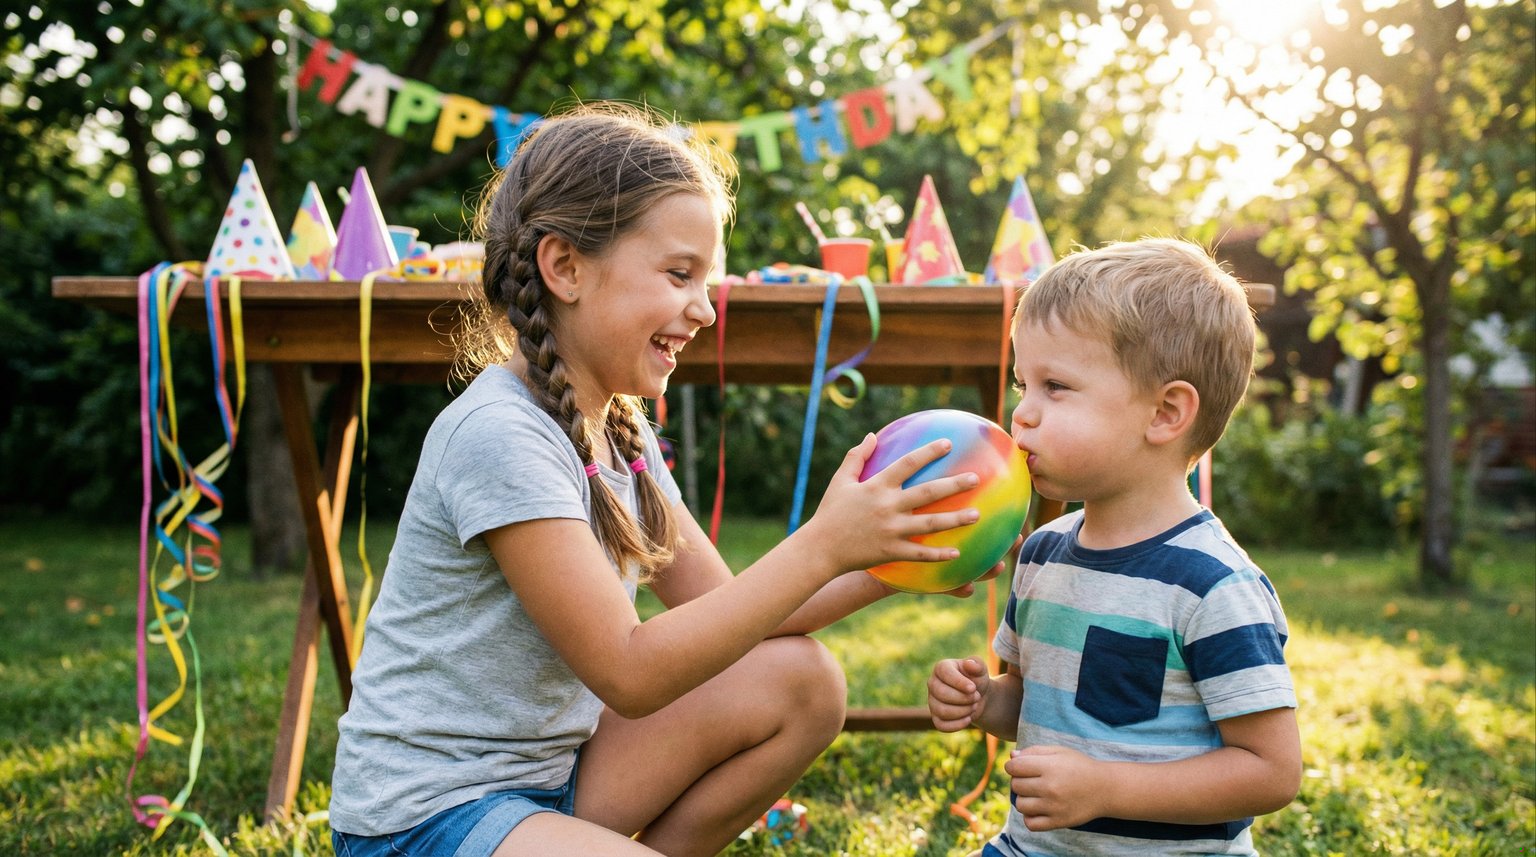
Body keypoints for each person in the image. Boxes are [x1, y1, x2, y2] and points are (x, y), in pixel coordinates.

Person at [329, 102, 996, 857]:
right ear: (565, 267)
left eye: (705, 280)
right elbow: (630, 672)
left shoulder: (619, 428)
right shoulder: (499, 434)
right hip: (428, 816)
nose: (704, 309)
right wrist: (821, 543)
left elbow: (734, 613)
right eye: (680, 274)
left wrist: (891, 557)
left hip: (556, 778)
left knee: (802, 681)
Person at [927, 238, 1301, 856]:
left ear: (1165, 413)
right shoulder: (1042, 553)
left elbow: (1270, 770)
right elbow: (1036, 705)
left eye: (1056, 387)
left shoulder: (1211, 584)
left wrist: (1107, 787)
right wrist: (985, 701)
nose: (1023, 415)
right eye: (1024, 385)